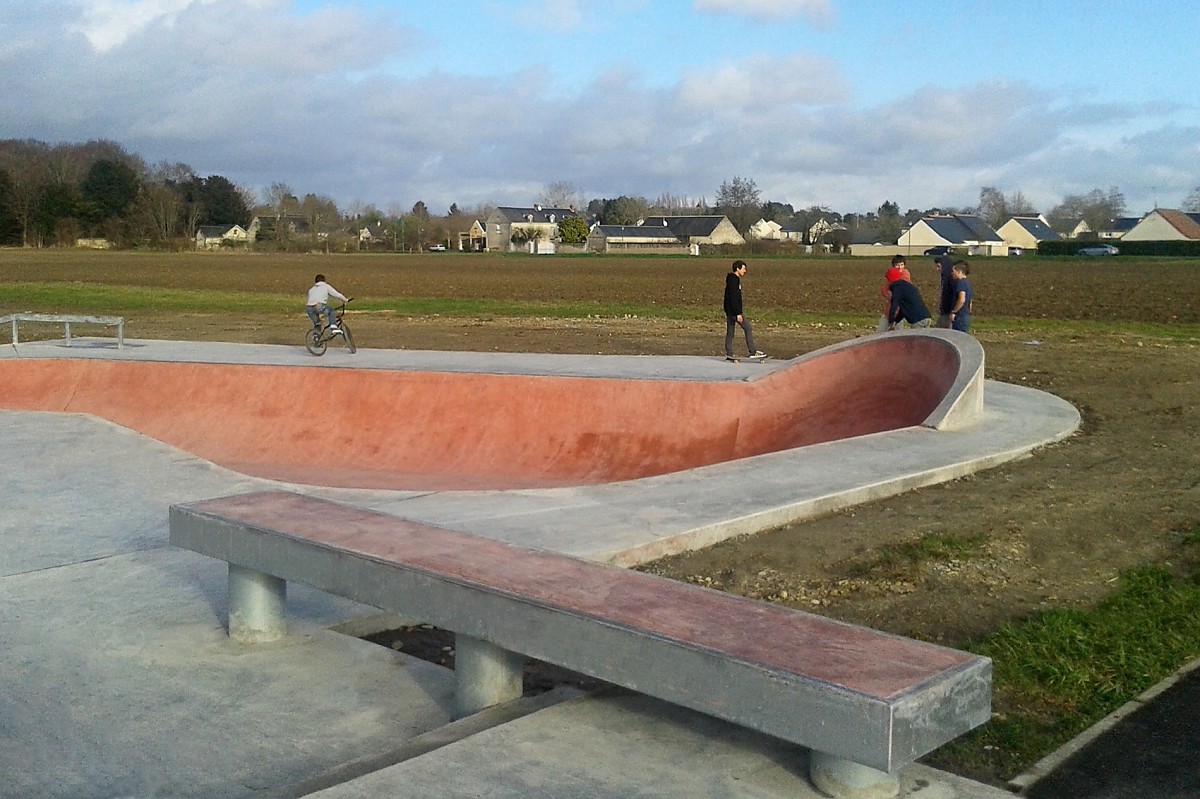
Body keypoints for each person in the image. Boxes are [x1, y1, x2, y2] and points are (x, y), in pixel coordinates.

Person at [723, 260, 765, 360]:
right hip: (735, 312)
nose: (745, 271)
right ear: (738, 269)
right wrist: (738, 313)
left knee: (730, 332)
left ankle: (729, 353)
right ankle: (752, 352)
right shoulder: (734, 280)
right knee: (748, 328)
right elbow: (733, 298)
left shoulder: (732, 280)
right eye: (743, 269)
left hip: (730, 311)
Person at [885, 266, 932, 330]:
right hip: (926, 317)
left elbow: (894, 305)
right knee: (924, 339)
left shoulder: (897, 289)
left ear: (890, 279)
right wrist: (896, 321)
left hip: (917, 321)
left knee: (915, 340)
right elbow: (904, 309)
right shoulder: (907, 286)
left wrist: (891, 321)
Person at [876, 255, 910, 333]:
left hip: (899, 310)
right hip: (889, 309)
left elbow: (897, 293)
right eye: (897, 265)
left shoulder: (905, 276)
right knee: (880, 331)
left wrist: (892, 295)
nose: (900, 267)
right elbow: (884, 290)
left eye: (902, 265)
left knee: (897, 333)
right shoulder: (893, 276)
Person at [948, 260, 973, 333]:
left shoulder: (961, 283)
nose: (952, 273)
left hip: (960, 317)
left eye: (953, 271)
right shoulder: (967, 283)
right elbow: (970, 302)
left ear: (959, 271)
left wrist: (954, 312)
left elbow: (962, 299)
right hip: (966, 315)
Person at [934, 254, 955, 328]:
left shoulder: (951, 280)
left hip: (948, 313)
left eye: (939, 266)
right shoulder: (944, 278)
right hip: (944, 312)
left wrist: (953, 311)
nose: (937, 269)